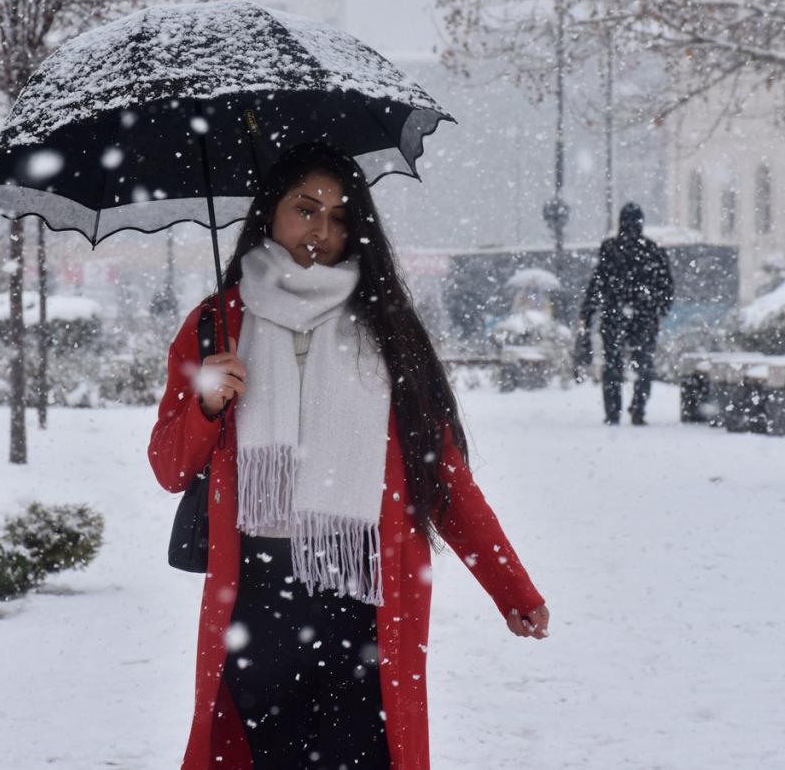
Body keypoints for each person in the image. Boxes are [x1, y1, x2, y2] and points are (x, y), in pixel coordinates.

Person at [148, 143, 549, 769]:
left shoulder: (387, 328)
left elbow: (442, 477)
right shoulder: (218, 325)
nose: (322, 231)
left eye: (338, 216)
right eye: (305, 210)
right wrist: (206, 405)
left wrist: (511, 587)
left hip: (365, 605)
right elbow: (169, 467)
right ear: (269, 215)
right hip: (257, 603)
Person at [575, 203, 674, 426]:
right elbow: (666, 286)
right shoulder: (652, 250)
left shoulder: (610, 248)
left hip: (614, 314)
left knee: (612, 365)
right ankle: (638, 407)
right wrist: (657, 308)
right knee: (643, 364)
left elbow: (597, 284)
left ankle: (613, 411)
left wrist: (589, 312)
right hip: (644, 316)